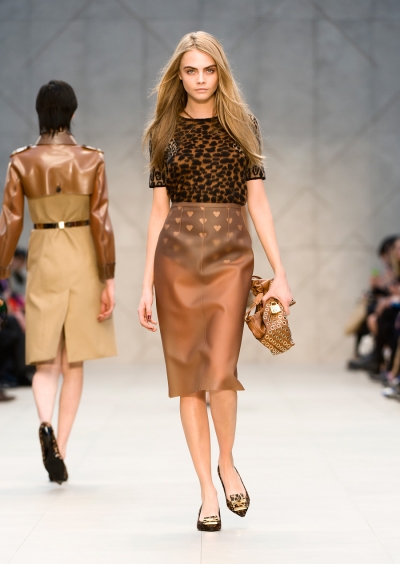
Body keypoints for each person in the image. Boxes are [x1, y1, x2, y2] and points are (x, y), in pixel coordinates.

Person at [138, 32, 293, 532]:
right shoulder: (162, 131)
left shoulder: (243, 125)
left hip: (231, 255)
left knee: (221, 370)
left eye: (208, 70)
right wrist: (146, 284)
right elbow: (157, 212)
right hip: (176, 258)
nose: (200, 79)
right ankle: (207, 489)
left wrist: (281, 272)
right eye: (191, 71)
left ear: (220, 73)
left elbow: (258, 202)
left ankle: (227, 462)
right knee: (189, 378)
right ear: (179, 76)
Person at [0, 80, 117, 484]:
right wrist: (109, 277)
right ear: (72, 113)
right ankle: (61, 449)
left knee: (45, 359)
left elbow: (10, 223)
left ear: (40, 113)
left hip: (44, 252)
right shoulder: (91, 159)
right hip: (82, 254)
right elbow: (101, 221)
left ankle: (45, 423)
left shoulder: (21, 161)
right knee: (74, 362)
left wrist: (1, 274)